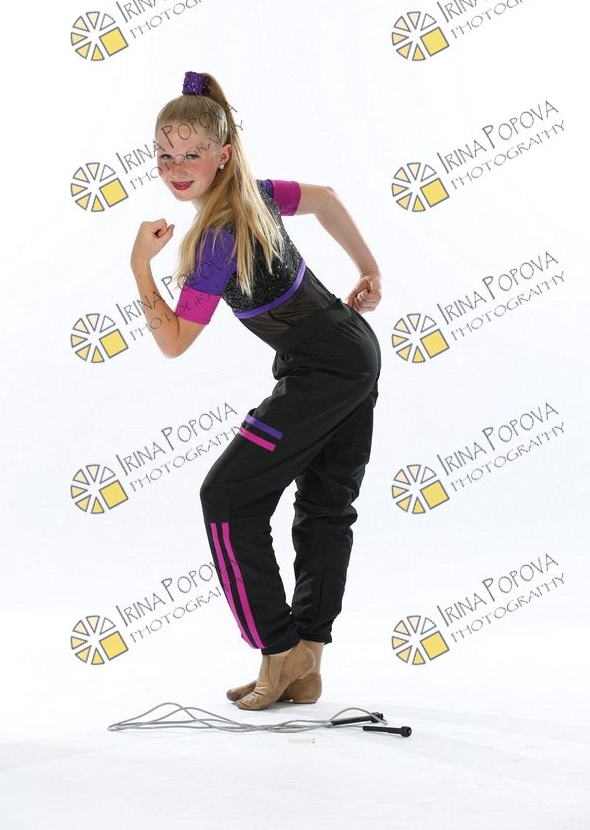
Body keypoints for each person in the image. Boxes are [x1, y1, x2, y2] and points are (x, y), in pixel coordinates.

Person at [130, 71, 382, 711]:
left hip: (324, 367)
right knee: (325, 506)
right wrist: (369, 269)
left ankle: (278, 650)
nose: (176, 169)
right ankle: (307, 666)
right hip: (348, 350)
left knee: (227, 496)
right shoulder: (257, 195)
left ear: (223, 153)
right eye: (164, 154)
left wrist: (139, 267)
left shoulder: (215, 241)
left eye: (191, 154)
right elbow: (326, 198)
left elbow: (174, 341)